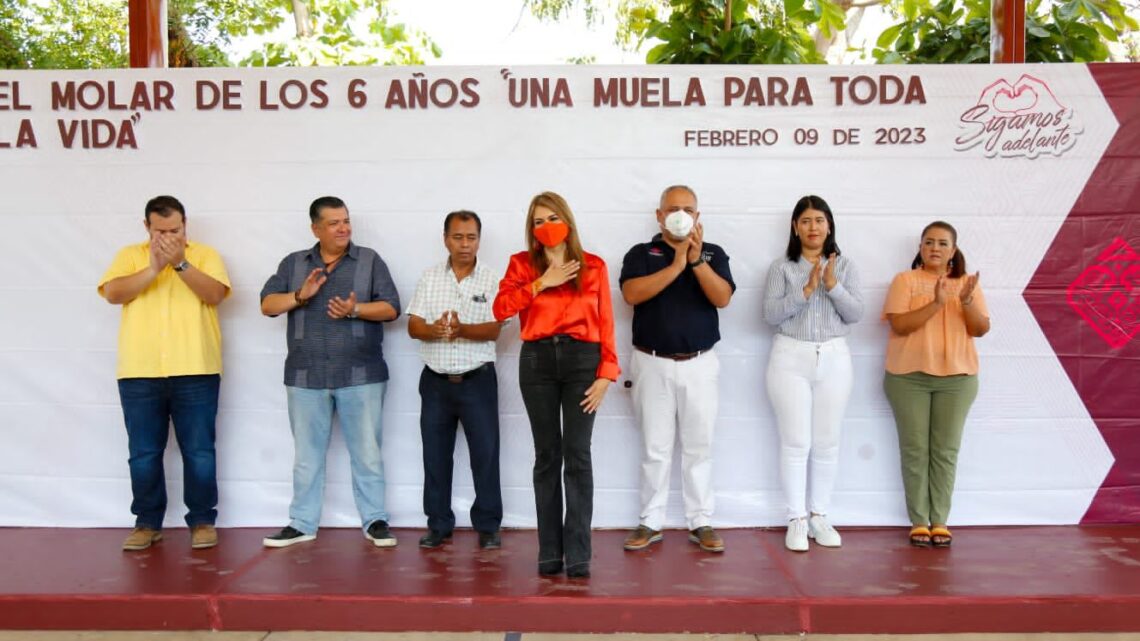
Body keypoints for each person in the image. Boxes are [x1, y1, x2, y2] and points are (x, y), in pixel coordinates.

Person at [259, 196, 401, 548]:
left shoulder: (369, 261)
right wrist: (300, 294)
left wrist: (356, 310)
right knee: (306, 457)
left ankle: (375, 520)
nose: (344, 228)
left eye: (347, 221)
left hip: (361, 375)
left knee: (367, 452)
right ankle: (302, 523)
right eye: (335, 223)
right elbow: (267, 304)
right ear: (316, 229)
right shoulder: (294, 264)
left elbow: (392, 308)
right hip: (306, 377)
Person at [492, 191, 619, 578]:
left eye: (552, 218)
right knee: (547, 456)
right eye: (537, 221)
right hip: (537, 361)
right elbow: (499, 309)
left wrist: (606, 374)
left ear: (567, 220)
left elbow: (606, 322)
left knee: (577, 455)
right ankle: (549, 552)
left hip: (583, 360)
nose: (546, 227)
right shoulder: (521, 264)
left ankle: (578, 553)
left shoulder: (592, 265)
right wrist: (539, 283)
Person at [99, 195, 231, 551]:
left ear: (185, 224)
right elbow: (113, 293)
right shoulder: (130, 255)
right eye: (161, 231)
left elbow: (216, 294)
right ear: (147, 227)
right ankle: (146, 522)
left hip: (196, 368)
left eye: (175, 229)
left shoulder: (204, 254)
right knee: (143, 452)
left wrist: (181, 264)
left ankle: (202, 520)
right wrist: (154, 267)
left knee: (199, 450)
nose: (169, 236)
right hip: (140, 370)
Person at [619, 185, 735, 554]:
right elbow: (632, 294)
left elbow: (723, 297)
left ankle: (700, 520)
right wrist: (676, 264)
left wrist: (696, 261)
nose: (680, 214)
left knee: (699, 446)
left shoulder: (714, 253)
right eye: (672, 208)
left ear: (698, 217)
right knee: (655, 447)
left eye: (687, 209)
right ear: (659, 215)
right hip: (651, 362)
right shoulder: (642, 253)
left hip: (700, 364)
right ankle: (650, 521)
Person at [763, 195, 863, 552]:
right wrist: (805, 292)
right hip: (791, 356)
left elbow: (855, 314)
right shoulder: (782, 268)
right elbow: (771, 315)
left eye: (819, 220)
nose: (813, 227)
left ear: (829, 225)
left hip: (835, 357)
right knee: (795, 442)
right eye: (805, 221)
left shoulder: (846, 265)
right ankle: (796, 519)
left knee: (827, 441)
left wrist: (832, 285)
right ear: (795, 227)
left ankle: (819, 515)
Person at [882, 221, 989, 548]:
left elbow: (980, 329)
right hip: (907, 378)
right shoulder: (905, 280)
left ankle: (939, 520)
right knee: (915, 449)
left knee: (945, 450)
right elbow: (900, 325)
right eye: (929, 242)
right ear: (920, 247)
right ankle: (918, 521)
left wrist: (966, 301)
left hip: (957, 380)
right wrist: (937, 303)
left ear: (953, 251)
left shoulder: (968, 284)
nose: (935, 248)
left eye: (943, 243)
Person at [406, 210, 504, 550]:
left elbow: (495, 329)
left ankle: (488, 526)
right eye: (458, 237)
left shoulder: (493, 279)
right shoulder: (430, 277)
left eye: (471, 237)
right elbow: (413, 326)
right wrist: (436, 330)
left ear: (480, 239)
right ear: (445, 238)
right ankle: (438, 523)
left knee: (486, 454)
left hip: (478, 380)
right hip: (435, 382)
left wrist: (461, 330)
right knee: (435, 455)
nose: (465, 244)